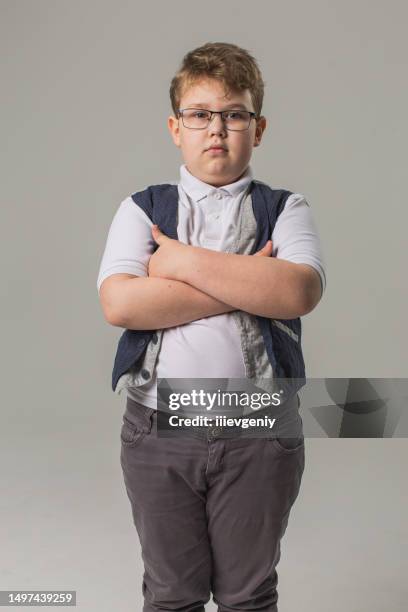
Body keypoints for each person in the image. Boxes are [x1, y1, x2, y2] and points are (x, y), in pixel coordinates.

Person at [97, 41, 326, 612]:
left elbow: (297, 291)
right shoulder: (143, 208)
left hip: (259, 426)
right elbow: (121, 305)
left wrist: (176, 264)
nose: (216, 130)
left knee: (248, 595)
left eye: (234, 114)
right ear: (176, 127)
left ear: (258, 126)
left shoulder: (286, 207)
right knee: (171, 593)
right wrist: (246, 284)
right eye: (200, 115)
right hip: (159, 425)